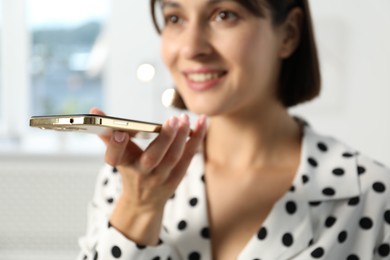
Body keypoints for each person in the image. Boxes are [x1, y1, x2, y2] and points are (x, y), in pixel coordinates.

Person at [78, 0, 390, 259]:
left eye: (223, 14)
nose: (191, 48)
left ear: (289, 34)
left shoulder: (369, 192)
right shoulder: (129, 177)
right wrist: (139, 208)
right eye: (174, 18)